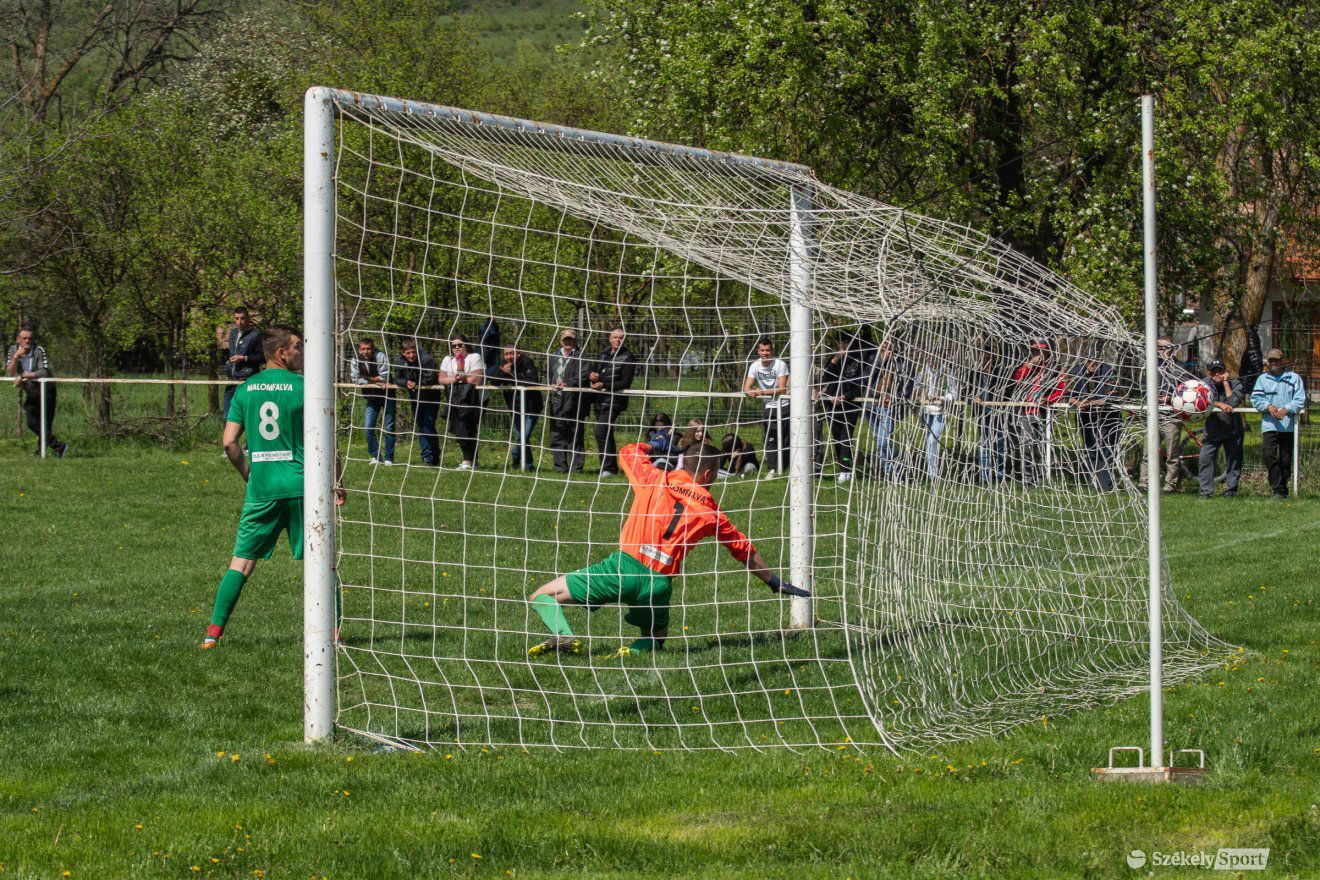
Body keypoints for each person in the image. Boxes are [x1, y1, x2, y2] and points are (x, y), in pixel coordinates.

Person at [524, 441, 810, 657]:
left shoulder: (654, 478)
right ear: (708, 473)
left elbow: (627, 452)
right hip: (659, 584)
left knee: (541, 595)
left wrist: (655, 445)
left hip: (622, 568)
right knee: (656, 637)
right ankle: (633, 654)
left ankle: (563, 635)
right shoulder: (711, 510)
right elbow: (742, 549)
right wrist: (773, 582)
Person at [201, 325, 344, 649]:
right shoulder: (307, 387)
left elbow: (229, 443)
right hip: (303, 488)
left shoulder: (245, 389)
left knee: (241, 562)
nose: (302, 353)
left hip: (262, 490)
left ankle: (212, 635)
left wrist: (249, 476)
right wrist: (337, 482)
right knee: (321, 562)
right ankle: (335, 636)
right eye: (298, 347)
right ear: (282, 353)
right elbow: (327, 442)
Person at [1139, 336, 1196, 493]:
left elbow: (1188, 392)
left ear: (1172, 348)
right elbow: (1143, 386)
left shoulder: (1181, 368)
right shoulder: (1151, 366)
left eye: (1164, 348)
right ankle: (1144, 482)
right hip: (1153, 416)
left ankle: (1170, 484)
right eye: (1158, 348)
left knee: (1172, 453)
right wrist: (1151, 395)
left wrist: (1170, 398)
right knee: (1148, 451)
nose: (1160, 351)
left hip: (1171, 416)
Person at [1249, 348, 1305, 499]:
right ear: (1268, 362)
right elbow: (1255, 399)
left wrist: (1287, 409)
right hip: (1269, 425)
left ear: (1282, 361)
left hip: (1288, 426)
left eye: (1276, 360)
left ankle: (1282, 490)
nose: (1273, 363)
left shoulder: (1294, 378)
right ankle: (1276, 488)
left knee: (1286, 459)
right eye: (1271, 360)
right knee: (1269, 456)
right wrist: (1268, 406)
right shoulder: (1262, 379)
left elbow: (1300, 399)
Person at [1010, 342, 1067, 484]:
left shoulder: (1054, 368)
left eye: (1040, 351)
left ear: (1047, 352)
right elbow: (1016, 382)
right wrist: (1027, 367)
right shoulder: (1026, 367)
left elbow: (1061, 389)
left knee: (1042, 446)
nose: (1037, 355)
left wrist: (1048, 399)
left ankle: (1041, 479)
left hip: (1044, 412)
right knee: (1026, 447)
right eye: (1035, 351)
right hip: (1026, 412)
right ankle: (1027, 479)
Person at [6, 326, 67, 458]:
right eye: (24, 338)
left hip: (47, 391)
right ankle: (58, 446)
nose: (28, 340)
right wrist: (16, 357)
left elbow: (44, 371)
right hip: (32, 392)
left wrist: (24, 376)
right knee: (32, 423)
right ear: (18, 339)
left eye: (30, 338)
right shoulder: (12, 350)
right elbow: (10, 372)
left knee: (45, 424)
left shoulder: (39, 350)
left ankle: (43, 451)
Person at [816, 333, 867, 482]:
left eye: (846, 342)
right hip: (832, 405)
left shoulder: (858, 361)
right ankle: (842, 468)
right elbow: (825, 379)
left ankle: (846, 470)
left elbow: (861, 386)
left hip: (850, 405)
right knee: (836, 438)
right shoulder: (832, 360)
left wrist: (846, 397)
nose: (843, 346)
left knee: (846, 437)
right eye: (840, 343)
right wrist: (836, 359)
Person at [589, 328, 637, 477]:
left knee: (600, 430)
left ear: (625, 340)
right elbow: (596, 373)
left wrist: (604, 385)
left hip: (615, 401)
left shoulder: (628, 357)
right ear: (609, 339)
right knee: (605, 432)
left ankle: (608, 468)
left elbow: (625, 382)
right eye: (615, 337)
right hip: (600, 400)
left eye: (621, 338)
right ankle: (608, 467)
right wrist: (592, 376)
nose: (618, 340)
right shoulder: (602, 354)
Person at [1069, 355, 1122, 491]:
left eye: (1095, 362)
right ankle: (1093, 482)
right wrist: (1078, 403)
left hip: (1107, 416)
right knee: (1090, 448)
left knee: (1106, 449)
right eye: (1089, 362)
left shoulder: (1108, 371)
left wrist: (1091, 403)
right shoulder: (1077, 371)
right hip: (1086, 416)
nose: (1092, 365)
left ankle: (1106, 485)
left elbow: (1111, 396)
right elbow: (1068, 394)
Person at [491, 343, 544, 471]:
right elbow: (493, 381)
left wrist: (515, 380)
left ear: (518, 354)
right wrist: (503, 372)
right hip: (514, 407)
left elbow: (533, 380)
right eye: (506, 353)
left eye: (512, 353)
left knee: (524, 436)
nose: (509, 356)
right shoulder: (502, 365)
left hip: (531, 407)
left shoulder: (527, 362)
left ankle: (516, 456)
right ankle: (528, 465)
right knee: (521, 436)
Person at [438, 334, 485, 470]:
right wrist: (457, 379)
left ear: (466, 345)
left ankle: (467, 461)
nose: (457, 348)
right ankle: (471, 460)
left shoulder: (474, 357)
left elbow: (476, 379)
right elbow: (441, 379)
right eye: (454, 346)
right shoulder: (448, 359)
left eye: (460, 345)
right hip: (454, 399)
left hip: (473, 399)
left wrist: (462, 379)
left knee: (467, 429)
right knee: (458, 429)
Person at [547, 328, 592, 472]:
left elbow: (583, 375)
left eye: (571, 339)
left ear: (575, 341)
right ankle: (560, 466)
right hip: (556, 399)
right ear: (561, 340)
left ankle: (576, 468)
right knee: (557, 433)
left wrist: (567, 384)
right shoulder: (553, 355)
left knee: (575, 433)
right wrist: (550, 384)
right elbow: (549, 373)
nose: (568, 342)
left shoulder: (581, 356)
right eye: (565, 339)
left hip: (574, 400)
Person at [743, 339, 790, 475]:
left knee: (785, 438)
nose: (765, 353)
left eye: (767, 350)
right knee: (770, 437)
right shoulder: (755, 366)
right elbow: (746, 387)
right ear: (758, 351)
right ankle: (772, 469)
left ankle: (784, 468)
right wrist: (750, 391)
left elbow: (782, 389)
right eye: (762, 350)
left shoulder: (780, 364)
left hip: (784, 405)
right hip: (768, 406)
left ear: (772, 351)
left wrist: (761, 392)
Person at [1199, 360, 1244, 498]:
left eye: (1220, 371)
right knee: (1205, 460)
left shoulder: (1235, 383)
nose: (1217, 374)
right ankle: (1206, 492)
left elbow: (1233, 402)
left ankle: (1231, 490)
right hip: (1212, 431)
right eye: (1214, 371)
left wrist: (1225, 383)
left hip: (1233, 430)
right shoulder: (1204, 383)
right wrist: (1219, 404)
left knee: (1234, 461)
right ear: (1209, 373)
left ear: (1225, 372)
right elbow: (1202, 400)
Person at [863, 338, 907, 479]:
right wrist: (881, 360)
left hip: (888, 406)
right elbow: (865, 377)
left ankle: (894, 471)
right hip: (871, 404)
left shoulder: (900, 363)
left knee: (884, 440)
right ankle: (889, 471)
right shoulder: (873, 358)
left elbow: (906, 385)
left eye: (890, 343)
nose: (887, 345)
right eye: (885, 342)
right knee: (878, 439)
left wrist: (894, 398)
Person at [394, 339, 442, 466]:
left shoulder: (426, 360)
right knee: (420, 426)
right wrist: (406, 382)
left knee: (428, 425)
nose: (411, 355)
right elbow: (397, 378)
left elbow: (430, 378)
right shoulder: (399, 361)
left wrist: (417, 383)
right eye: (408, 353)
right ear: (403, 353)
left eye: (413, 352)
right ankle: (427, 457)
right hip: (415, 397)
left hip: (431, 396)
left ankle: (433, 455)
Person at [913, 357, 959, 481]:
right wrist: (920, 393)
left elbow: (954, 394)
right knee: (927, 440)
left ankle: (933, 475)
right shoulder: (923, 371)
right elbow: (915, 388)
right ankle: (930, 472)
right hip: (925, 410)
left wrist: (941, 397)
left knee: (933, 440)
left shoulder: (947, 372)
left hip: (940, 411)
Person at [350, 338, 394, 465]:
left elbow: (384, 377)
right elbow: (355, 379)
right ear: (359, 349)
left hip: (388, 395)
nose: (366, 351)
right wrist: (373, 380)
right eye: (363, 349)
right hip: (371, 397)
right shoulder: (355, 359)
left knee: (389, 427)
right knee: (369, 427)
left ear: (373, 348)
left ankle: (389, 459)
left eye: (368, 348)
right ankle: (376, 457)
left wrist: (366, 378)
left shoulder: (380, 356)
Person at [971, 347, 1010, 484]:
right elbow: (967, 390)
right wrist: (974, 398)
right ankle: (984, 476)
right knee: (984, 443)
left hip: (998, 413)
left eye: (988, 358)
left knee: (999, 444)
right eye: (983, 358)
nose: (985, 361)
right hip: (982, 413)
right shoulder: (974, 374)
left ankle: (999, 476)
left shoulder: (999, 374)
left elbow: (1007, 393)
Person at [223, 306, 264, 421]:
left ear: (248, 318)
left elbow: (262, 357)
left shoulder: (256, 335)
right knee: (227, 417)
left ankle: (249, 440)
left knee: (248, 419)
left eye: (242, 318)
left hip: (247, 381)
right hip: (231, 381)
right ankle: (228, 439)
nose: (239, 322)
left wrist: (244, 358)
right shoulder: (233, 333)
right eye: (236, 319)